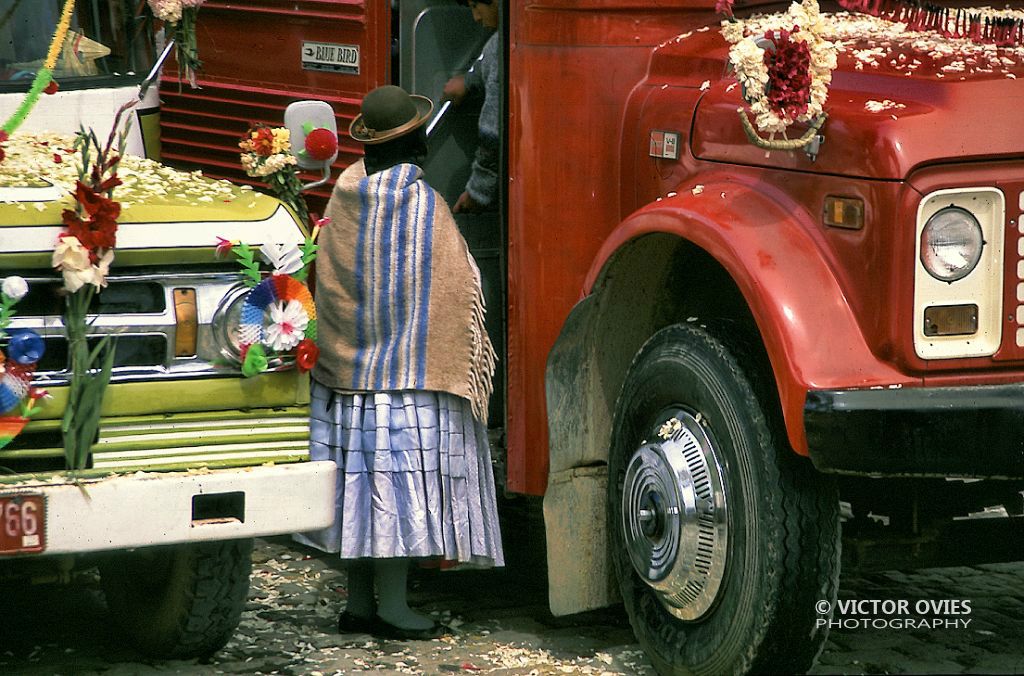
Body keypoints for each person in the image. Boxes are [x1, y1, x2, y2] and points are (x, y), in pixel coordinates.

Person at [295, 85, 504, 640]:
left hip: (346, 376)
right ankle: (392, 607)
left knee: (354, 497)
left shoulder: (345, 195)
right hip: (403, 380)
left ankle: (359, 603)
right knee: (389, 494)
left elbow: (336, 284)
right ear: (413, 141)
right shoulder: (421, 205)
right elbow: (451, 289)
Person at [442, 0, 500, 214]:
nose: (475, 17)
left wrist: (477, 191)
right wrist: (469, 81)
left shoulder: (501, 45)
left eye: (477, 5)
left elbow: (492, 133)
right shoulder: (499, 40)